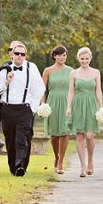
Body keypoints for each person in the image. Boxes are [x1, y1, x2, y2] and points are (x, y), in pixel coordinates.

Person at [0, 41, 45, 176]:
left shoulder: (31, 70)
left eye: (22, 54)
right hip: (7, 109)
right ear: (12, 55)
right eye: (17, 53)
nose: (20, 56)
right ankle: (13, 167)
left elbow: (39, 89)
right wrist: (6, 82)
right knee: (10, 140)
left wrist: (32, 108)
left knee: (22, 138)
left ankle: (20, 166)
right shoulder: (4, 70)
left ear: (25, 56)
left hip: (24, 109)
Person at [66, 47, 103, 177]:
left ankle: (90, 160)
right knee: (80, 135)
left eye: (87, 58)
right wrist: (68, 107)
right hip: (78, 104)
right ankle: (82, 166)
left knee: (89, 135)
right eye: (82, 58)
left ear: (90, 58)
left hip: (91, 104)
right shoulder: (73, 73)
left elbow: (98, 90)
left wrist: (101, 106)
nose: (84, 61)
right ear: (78, 59)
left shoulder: (96, 72)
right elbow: (71, 91)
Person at [40, 45, 73, 174]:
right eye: (59, 55)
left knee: (65, 131)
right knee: (54, 133)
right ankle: (56, 156)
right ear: (54, 56)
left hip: (66, 102)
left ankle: (61, 161)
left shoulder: (71, 71)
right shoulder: (48, 71)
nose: (62, 57)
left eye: (64, 55)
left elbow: (74, 89)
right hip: (52, 102)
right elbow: (42, 89)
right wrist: (43, 104)